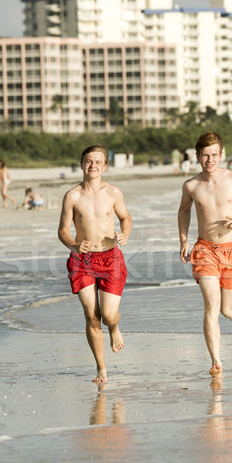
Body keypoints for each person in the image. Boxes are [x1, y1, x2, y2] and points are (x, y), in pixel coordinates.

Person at [178, 131, 232, 377]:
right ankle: (216, 361)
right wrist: (183, 240)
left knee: (226, 310)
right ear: (197, 156)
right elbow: (183, 212)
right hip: (204, 250)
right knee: (211, 306)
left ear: (221, 155)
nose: (210, 160)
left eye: (214, 155)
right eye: (205, 155)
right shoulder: (191, 185)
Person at [58, 144, 132, 384]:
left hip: (111, 258)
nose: (93, 166)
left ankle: (114, 327)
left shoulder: (113, 193)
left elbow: (125, 217)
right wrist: (74, 246)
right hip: (82, 260)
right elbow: (62, 231)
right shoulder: (72, 196)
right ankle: (101, 368)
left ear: (104, 166)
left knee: (109, 315)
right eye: (89, 161)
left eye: (98, 162)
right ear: (81, 164)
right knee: (91, 315)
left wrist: (125, 234)